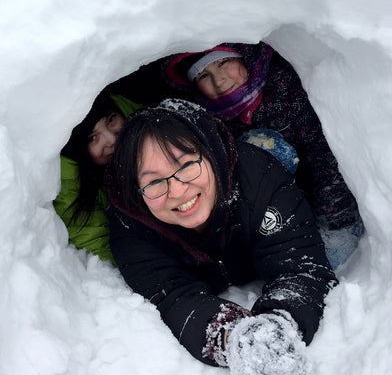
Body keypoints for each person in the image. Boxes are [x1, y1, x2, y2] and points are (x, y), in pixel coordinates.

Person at [105, 98, 337, 373]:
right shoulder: (131, 227)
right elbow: (174, 297)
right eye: (154, 182)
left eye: (187, 165)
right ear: (136, 189)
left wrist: (279, 323)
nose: (178, 191)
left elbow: (301, 266)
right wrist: (232, 336)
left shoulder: (259, 178)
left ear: (211, 153)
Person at [162, 41, 364, 269]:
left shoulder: (286, 90)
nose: (218, 81)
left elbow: (324, 159)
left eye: (223, 63)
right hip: (280, 200)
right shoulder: (212, 120)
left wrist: (339, 222)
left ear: (244, 57)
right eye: (203, 76)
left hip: (329, 200)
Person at [54, 93, 141, 264]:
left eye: (110, 120)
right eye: (93, 138)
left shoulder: (148, 125)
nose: (112, 139)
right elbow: (95, 240)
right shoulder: (74, 185)